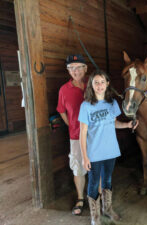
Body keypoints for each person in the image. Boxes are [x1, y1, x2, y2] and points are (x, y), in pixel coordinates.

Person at [79, 70, 138, 225]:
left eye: (102, 82)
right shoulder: (86, 106)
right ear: (91, 85)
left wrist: (126, 124)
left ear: (107, 84)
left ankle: (107, 209)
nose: (99, 85)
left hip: (110, 150)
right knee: (93, 183)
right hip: (94, 153)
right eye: (96, 82)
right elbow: (83, 132)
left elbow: (114, 123)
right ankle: (95, 217)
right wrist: (85, 157)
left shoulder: (112, 103)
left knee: (108, 180)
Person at [56, 54, 88, 215]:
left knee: (97, 166)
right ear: (68, 71)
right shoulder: (64, 90)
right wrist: (72, 124)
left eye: (79, 67)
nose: (76, 71)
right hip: (76, 135)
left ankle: (97, 196)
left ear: (85, 69)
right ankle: (81, 198)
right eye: (72, 68)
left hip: (96, 135)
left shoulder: (93, 83)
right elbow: (61, 111)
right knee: (78, 168)